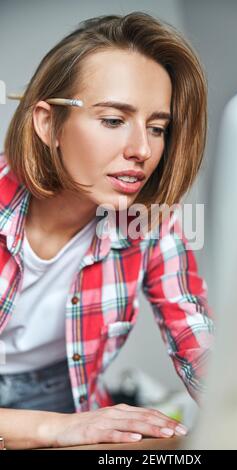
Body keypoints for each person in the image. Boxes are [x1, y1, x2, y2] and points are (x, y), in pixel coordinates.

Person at [0, 11, 214, 449]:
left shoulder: (153, 223)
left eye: (157, 128)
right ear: (47, 123)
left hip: (69, 401)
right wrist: (51, 429)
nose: (141, 150)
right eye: (114, 120)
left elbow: (196, 339)